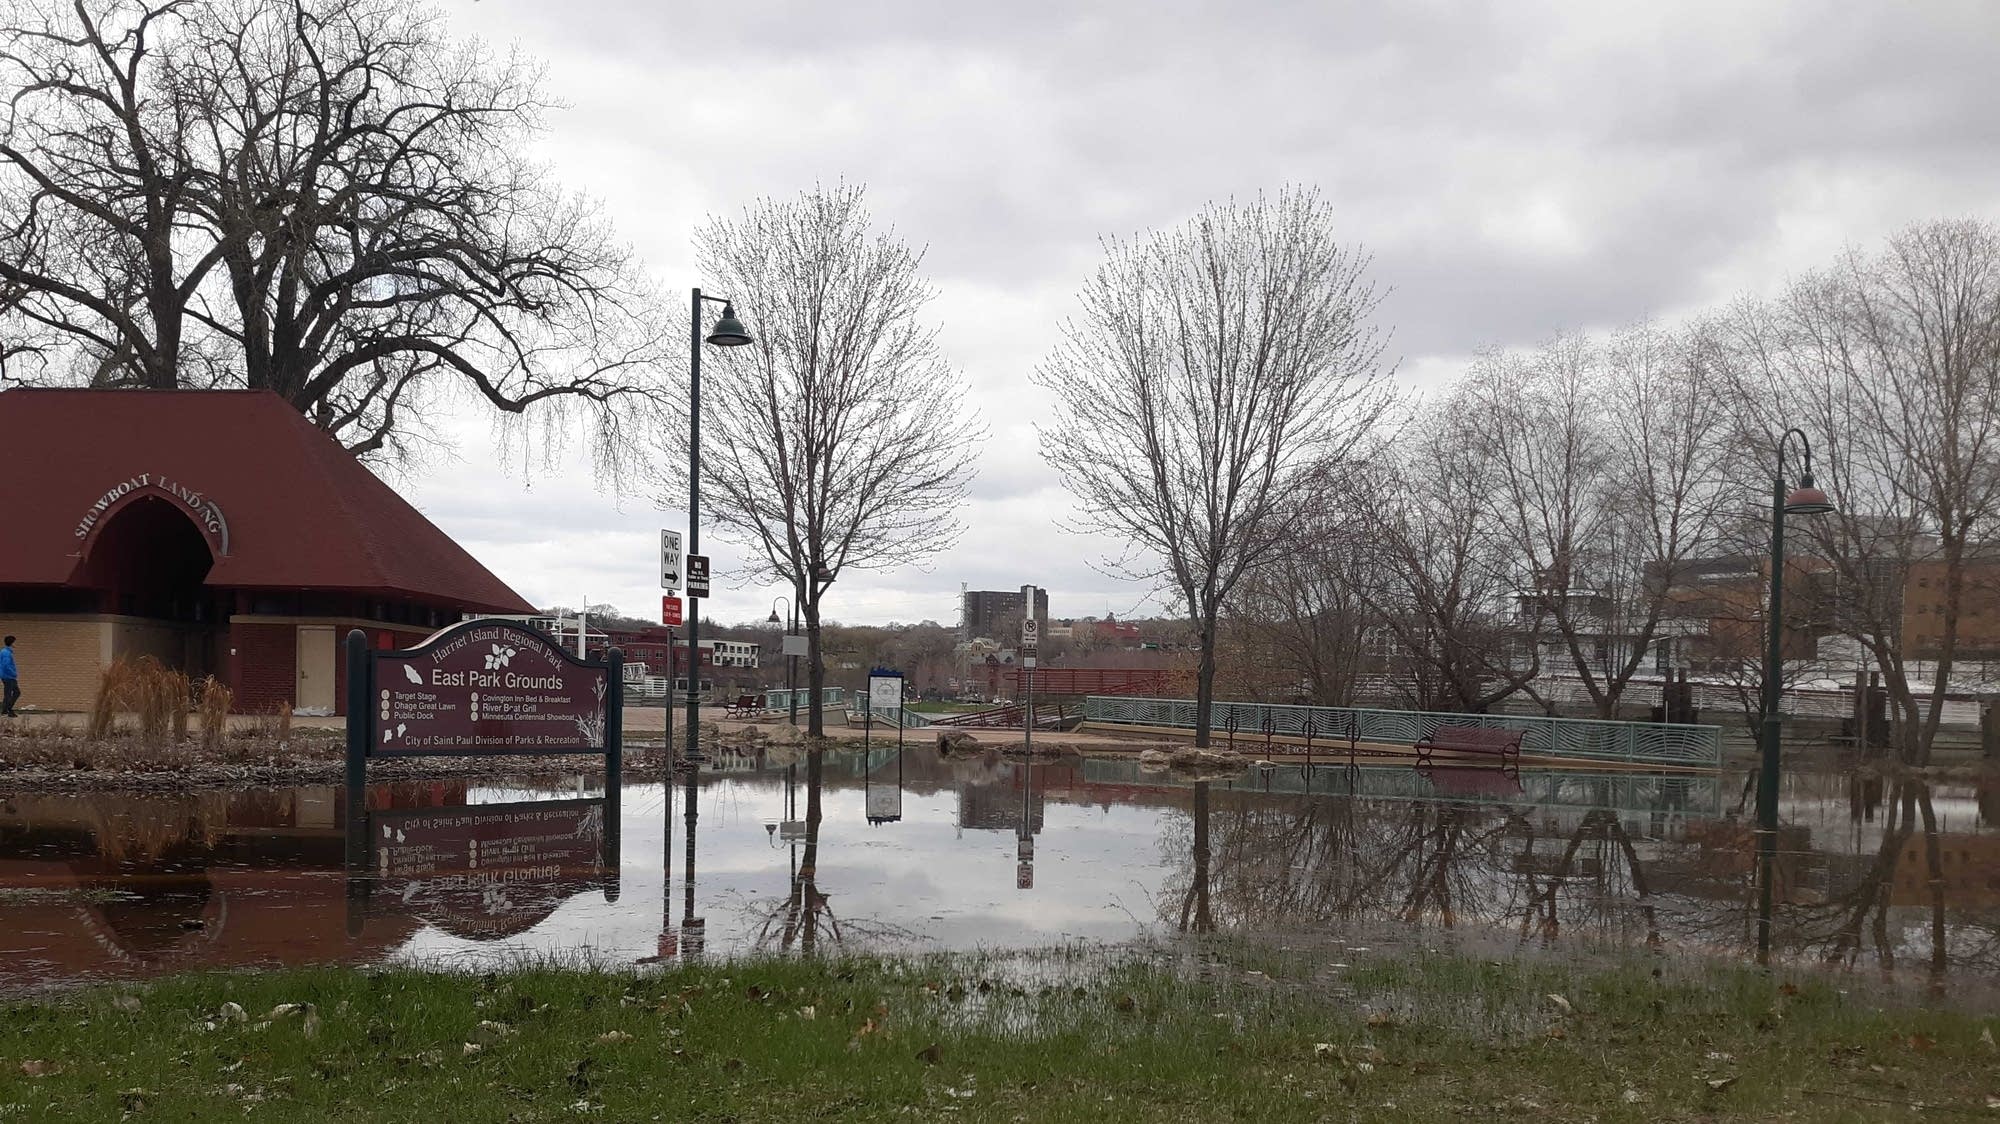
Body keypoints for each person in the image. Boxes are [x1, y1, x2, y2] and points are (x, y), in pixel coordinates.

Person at [0, 636, 17, 718]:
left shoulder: (6, 651)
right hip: (8, 676)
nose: (15, 643)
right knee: (10, 693)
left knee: (14, 692)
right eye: (14, 642)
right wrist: (13, 673)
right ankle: (6, 710)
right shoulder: (6, 653)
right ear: (11, 643)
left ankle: (6, 709)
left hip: (8, 676)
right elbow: (6, 665)